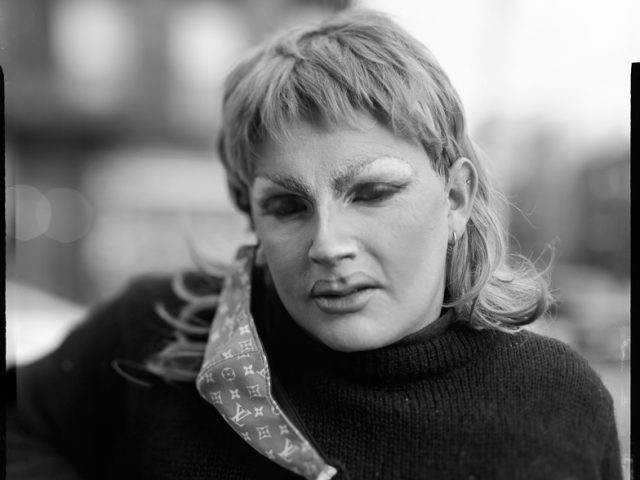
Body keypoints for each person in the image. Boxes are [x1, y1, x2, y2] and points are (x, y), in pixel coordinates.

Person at [7, 9, 622, 480]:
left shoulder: (554, 404)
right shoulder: (154, 335)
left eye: (373, 193)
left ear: (456, 198)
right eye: (287, 206)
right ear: (251, 214)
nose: (328, 244)